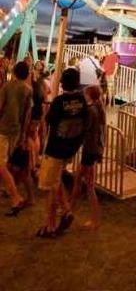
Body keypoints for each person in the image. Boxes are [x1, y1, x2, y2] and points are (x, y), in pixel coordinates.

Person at [37, 66, 88, 237]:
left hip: (55, 148)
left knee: (50, 185)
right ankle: (66, 210)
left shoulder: (59, 102)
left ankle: (50, 225)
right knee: (56, 181)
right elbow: (85, 123)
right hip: (70, 147)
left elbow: (50, 120)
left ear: (63, 83)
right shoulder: (82, 101)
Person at [70, 84, 106, 229]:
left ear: (89, 96)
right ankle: (69, 209)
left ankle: (95, 219)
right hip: (92, 149)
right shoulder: (98, 109)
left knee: (89, 186)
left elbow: (85, 130)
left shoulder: (91, 111)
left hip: (90, 150)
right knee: (78, 179)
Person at [0, 60, 32, 215]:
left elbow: (0, 107)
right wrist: (24, 135)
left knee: (1, 165)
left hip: (4, 129)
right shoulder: (28, 90)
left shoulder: (7, 87)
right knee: (7, 164)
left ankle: (15, 197)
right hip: (17, 131)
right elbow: (27, 114)